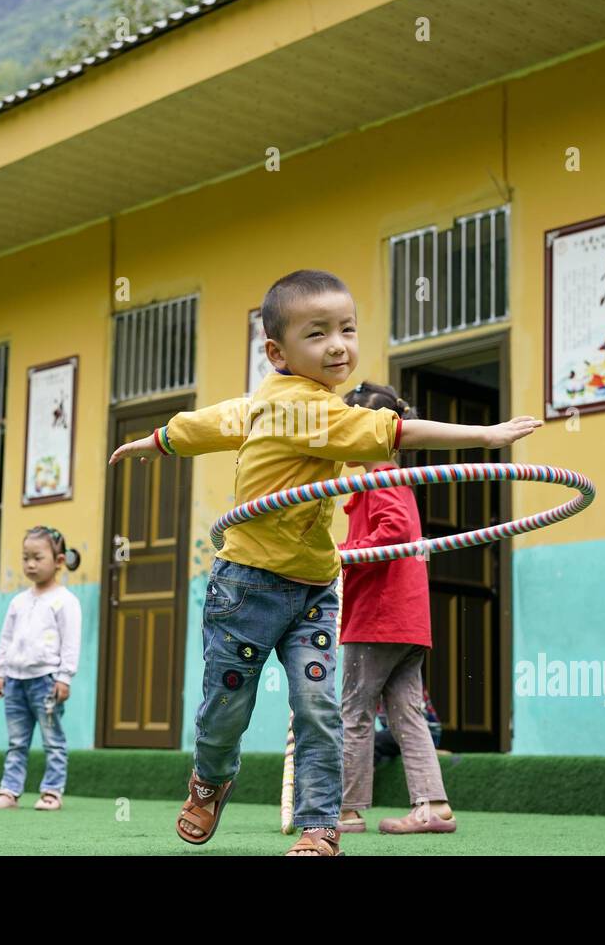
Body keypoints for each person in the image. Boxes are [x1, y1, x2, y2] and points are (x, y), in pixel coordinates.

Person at [108, 269, 541, 855]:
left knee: (318, 708)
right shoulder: (305, 410)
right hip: (247, 587)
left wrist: (161, 440)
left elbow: (215, 420)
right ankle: (211, 780)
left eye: (347, 328)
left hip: (313, 587)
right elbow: (397, 431)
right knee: (226, 704)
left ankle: (321, 826)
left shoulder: (285, 402)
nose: (338, 344)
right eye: (317, 334)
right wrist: (485, 436)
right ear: (278, 352)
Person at [336, 382, 456, 834]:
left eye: (344, 428)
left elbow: (393, 533)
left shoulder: (380, 478)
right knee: (407, 712)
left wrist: (343, 553)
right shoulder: (390, 479)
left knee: (354, 711)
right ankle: (433, 805)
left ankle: (346, 810)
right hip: (407, 622)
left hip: (377, 619)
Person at [0, 526, 83, 812]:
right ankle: (9, 792)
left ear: (59, 561)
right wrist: (0, 672)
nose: (30, 564)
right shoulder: (18, 601)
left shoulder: (66, 601)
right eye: (25, 557)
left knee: (52, 738)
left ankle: (52, 792)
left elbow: (71, 643)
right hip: (14, 681)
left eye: (37, 557)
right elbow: (6, 639)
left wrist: (64, 677)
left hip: (46, 682)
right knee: (16, 741)